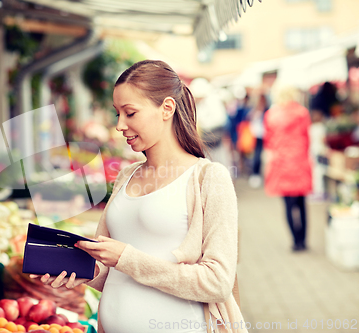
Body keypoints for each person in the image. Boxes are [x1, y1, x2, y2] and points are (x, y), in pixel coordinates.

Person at [32, 60, 246, 333]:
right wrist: (79, 272)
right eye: (117, 113)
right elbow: (111, 269)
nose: (120, 125)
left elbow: (217, 281)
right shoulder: (127, 176)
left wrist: (127, 258)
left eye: (130, 113)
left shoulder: (209, 178)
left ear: (167, 108)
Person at [264, 84, 312, 252]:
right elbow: (307, 138)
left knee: (288, 205)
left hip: (281, 163)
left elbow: (268, 141)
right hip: (299, 161)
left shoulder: (271, 115)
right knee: (301, 203)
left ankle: (295, 241)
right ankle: (303, 240)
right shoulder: (302, 113)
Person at [247, 94, 268, 188]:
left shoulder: (267, 111)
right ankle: (256, 174)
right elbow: (248, 119)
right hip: (256, 135)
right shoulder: (254, 110)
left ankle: (261, 175)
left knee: (262, 155)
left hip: (265, 135)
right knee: (257, 155)